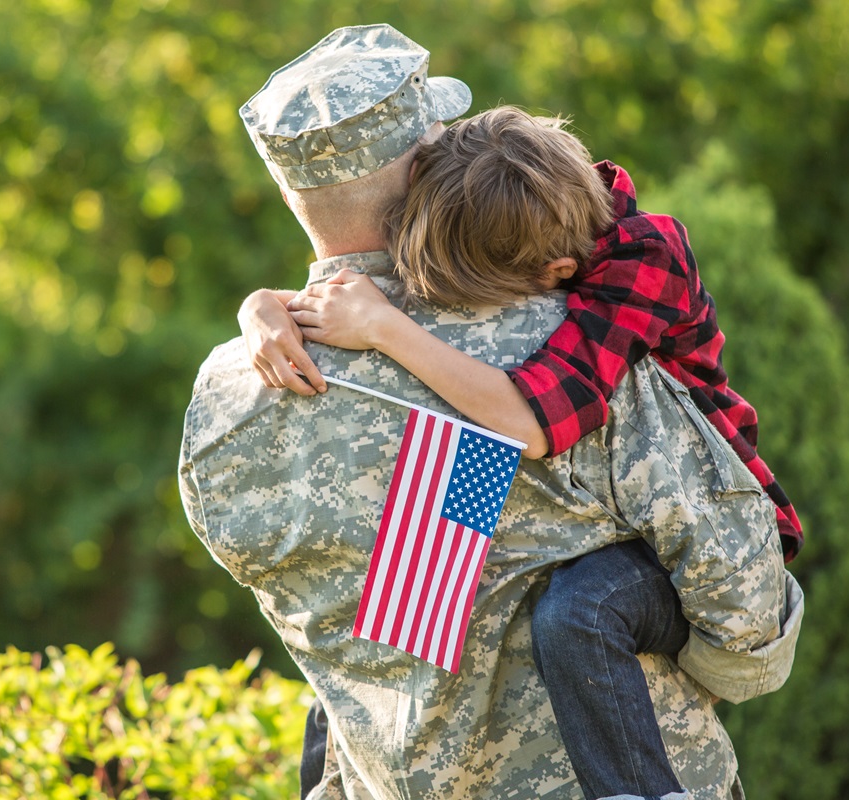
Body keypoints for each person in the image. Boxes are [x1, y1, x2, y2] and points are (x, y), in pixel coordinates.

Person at [179, 23, 802, 800]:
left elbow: (351, 630)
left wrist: (266, 307)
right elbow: (744, 599)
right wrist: (721, 670)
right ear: (423, 169)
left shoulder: (227, 400)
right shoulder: (552, 336)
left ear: (286, 191)